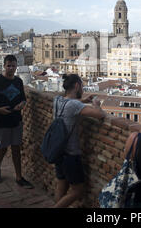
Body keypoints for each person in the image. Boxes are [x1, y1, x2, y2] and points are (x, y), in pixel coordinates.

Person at [53, 74, 107, 208]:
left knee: (62, 185)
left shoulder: (57, 100)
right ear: (77, 86)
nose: (82, 89)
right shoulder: (74, 105)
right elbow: (100, 115)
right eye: (82, 86)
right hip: (70, 154)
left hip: (58, 151)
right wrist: (96, 104)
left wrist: (83, 100)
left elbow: (71, 105)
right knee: (77, 191)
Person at [0, 54, 33, 188]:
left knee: (16, 148)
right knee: (2, 148)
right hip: (0, 121)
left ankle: (19, 177)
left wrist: (21, 105)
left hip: (15, 120)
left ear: (16, 67)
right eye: (8, 65)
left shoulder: (18, 82)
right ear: (4, 66)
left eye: (13, 66)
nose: (11, 68)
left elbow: (23, 99)